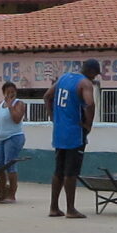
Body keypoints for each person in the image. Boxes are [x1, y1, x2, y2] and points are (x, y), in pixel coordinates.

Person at [46, 60, 100, 219]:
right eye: (95, 73)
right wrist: (88, 125)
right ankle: (70, 209)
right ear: (90, 71)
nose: (95, 77)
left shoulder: (63, 78)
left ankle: (54, 207)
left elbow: (47, 96)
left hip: (59, 131)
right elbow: (90, 104)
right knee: (71, 172)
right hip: (75, 132)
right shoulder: (85, 84)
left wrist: (53, 117)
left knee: (58, 170)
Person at [0, 80, 28, 203]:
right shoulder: (0, 104)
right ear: (3, 93)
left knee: (9, 164)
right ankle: (2, 193)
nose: (10, 94)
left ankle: (12, 194)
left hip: (14, 137)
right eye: (8, 92)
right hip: (1, 138)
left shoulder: (19, 104)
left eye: (13, 92)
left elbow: (16, 119)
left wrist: (10, 106)